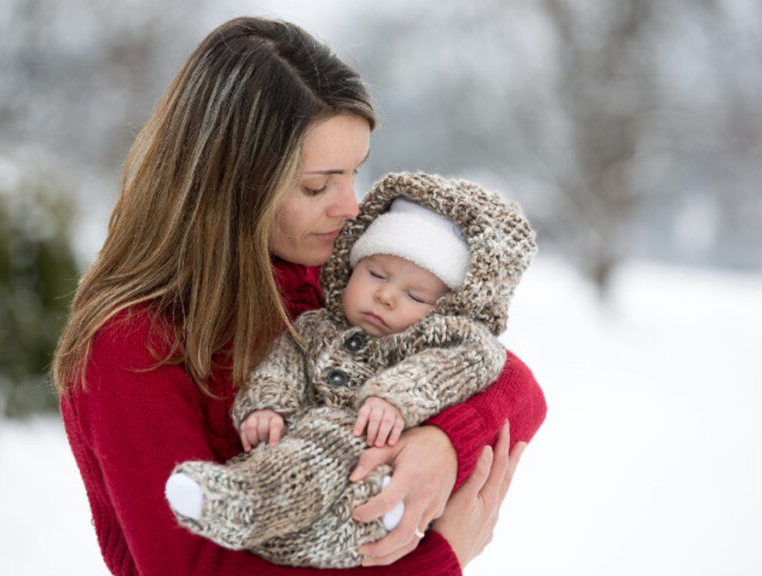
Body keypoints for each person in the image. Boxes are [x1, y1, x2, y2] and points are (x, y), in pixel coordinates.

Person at [52, 15, 547, 576]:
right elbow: (193, 566)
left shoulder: (326, 282)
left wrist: (442, 441)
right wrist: (439, 558)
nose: (352, 207)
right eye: (318, 185)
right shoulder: (133, 343)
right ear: (233, 184)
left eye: (354, 173)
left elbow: (515, 385)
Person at [164, 172, 538, 568]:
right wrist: (268, 406)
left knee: (338, 460)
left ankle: (254, 506)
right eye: (375, 273)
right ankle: (248, 506)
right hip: (300, 454)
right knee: (291, 465)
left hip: (374, 454)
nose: (385, 296)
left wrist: (395, 399)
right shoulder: (315, 326)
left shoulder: (445, 338)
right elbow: (283, 365)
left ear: (446, 308)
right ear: (351, 265)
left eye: (415, 295)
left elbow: (455, 365)